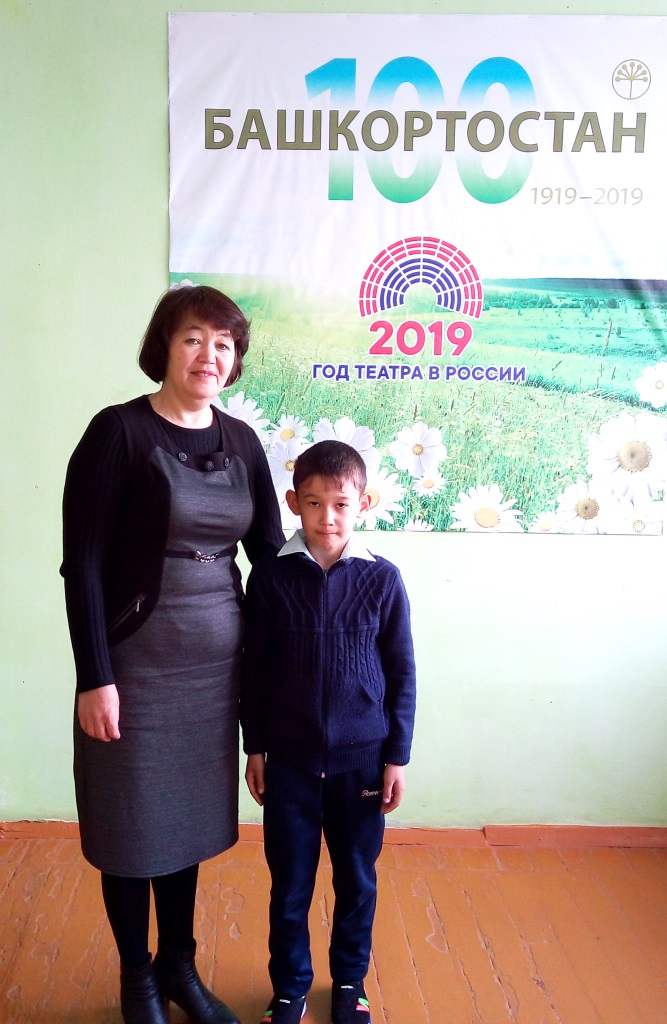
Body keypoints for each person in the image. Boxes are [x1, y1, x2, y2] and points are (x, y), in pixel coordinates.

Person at [61, 284, 284, 1024]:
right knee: (131, 826)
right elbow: (83, 565)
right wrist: (96, 676)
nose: (208, 355)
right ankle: (138, 979)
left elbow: (270, 561)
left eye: (224, 344)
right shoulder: (118, 433)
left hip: (216, 675)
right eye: (194, 338)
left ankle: (179, 968)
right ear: (164, 345)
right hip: (134, 670)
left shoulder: (242, 441)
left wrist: (340, 577)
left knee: (182, 822)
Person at [240, 440, 417, 1024]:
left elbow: (401, 672)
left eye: (340, 504)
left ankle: (349, 983)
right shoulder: (270, 578)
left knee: (357, 882)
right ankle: (290, 988)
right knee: (290, 884)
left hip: (361, 764)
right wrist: (255, 746)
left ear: (362, 503)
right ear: (294, 503)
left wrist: (396, 756)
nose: (327, 517)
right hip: (289, 764)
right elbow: (253, 669)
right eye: (313, 503)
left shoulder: (383, 580)